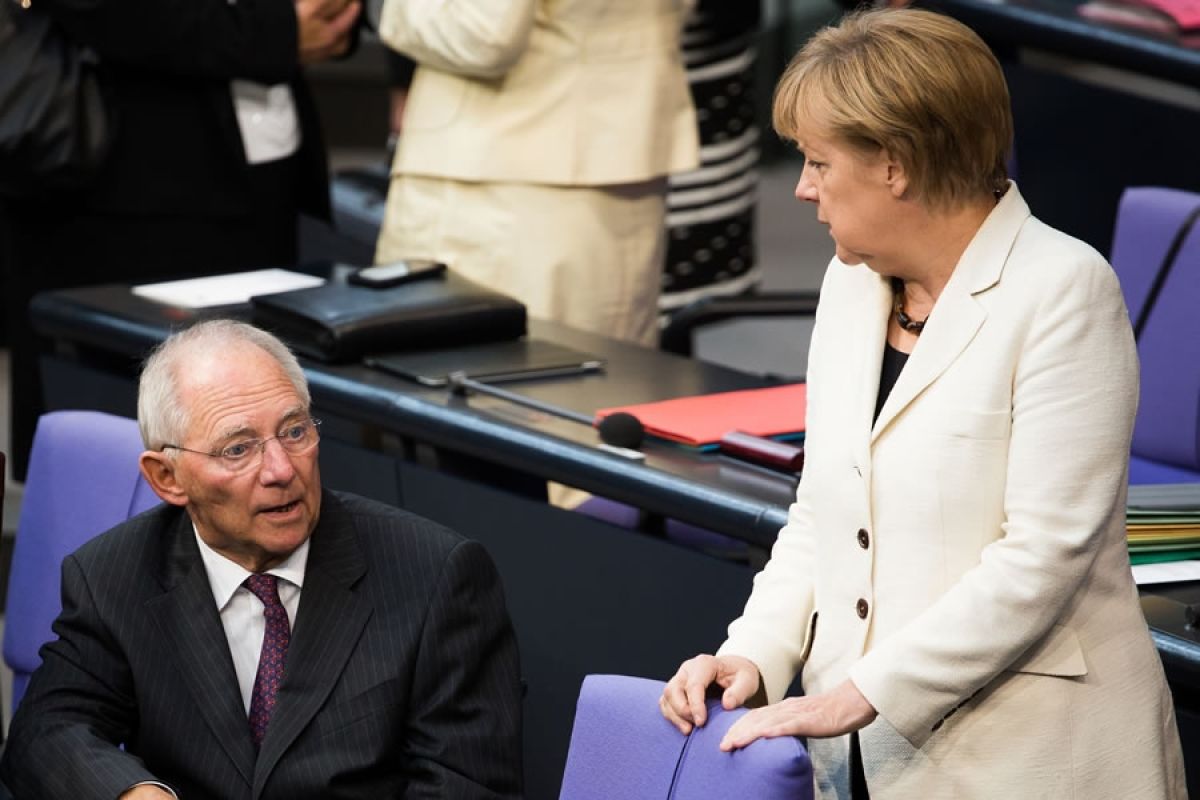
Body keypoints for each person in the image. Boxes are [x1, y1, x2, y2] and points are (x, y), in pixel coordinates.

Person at [660, 9, 1187, 799]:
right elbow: (821, 513)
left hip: (1033, 759)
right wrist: (755, 653)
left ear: (896, 165)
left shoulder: (1063, 292)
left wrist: (862, 692)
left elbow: (1041, 557)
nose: (801, 189)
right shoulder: (851, 281)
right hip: (866, 754)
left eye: (817, 162)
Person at [1, 320, 523, 799]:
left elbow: (467, 786)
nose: (279, 469)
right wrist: (131, 793)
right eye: (238, 449)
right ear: (167, 478)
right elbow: (46, 731)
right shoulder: (116, 574)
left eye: (294, 432)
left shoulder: (435, 575)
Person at [3, 0, 360, 481]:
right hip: (124, 191)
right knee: (125, 469)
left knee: (261, 442)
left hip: (258, 174)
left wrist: (324, 21)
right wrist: (273, 32)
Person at [372, 0, 699, 347]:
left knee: (497, 386)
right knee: (600, 384)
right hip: (612, 150)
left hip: (499, 184)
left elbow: (482, 33)